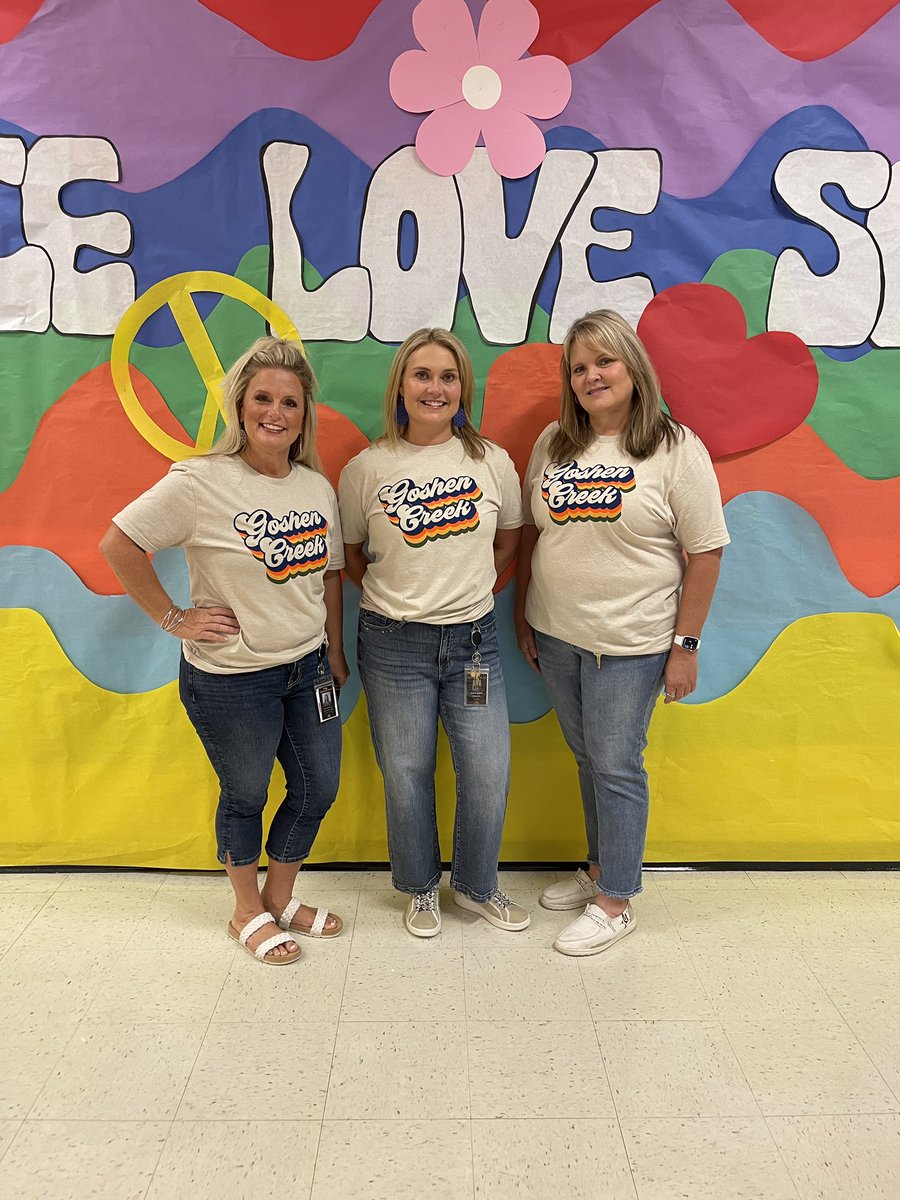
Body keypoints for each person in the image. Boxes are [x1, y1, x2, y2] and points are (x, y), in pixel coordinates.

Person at [100, 337, 347, 965]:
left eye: (289, 402)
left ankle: (280, 898)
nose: (275, 411)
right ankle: (245, 911)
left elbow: (330, 577)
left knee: (317, 788)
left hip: (308, 668)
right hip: (233, 680)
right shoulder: (200, 482)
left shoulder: (316, 487)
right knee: (245, 796)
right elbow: (119, 543)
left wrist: (334, 652)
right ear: (240, 406)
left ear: (303, 414)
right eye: (262, 397)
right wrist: (173, 617)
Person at [515, 310, 729, 956]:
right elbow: (533, 532)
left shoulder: (674, 448)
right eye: (579, 367)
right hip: (556, 636)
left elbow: (709, 551)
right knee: (590, 759)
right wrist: (526, 611)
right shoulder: (554, 442)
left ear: (633, 368)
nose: (591, 376)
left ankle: (617, 900)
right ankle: (601, 867)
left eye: (604, 362)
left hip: (632, 645)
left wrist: (684, 647)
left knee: (615, 764)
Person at [339, 328, 529, 938]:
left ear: (462, 389)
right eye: (422, 375)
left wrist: (469, 589)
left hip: (474, 643)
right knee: (407, 769)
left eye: (448, 377)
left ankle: (476, 886)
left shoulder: (491, 462)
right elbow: (349, 555)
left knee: (487, 768)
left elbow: (509, 542)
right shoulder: (367, 469)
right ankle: (420, 888)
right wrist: (401, 597)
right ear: (400, 384)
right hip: (393, 646)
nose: (435, 388)